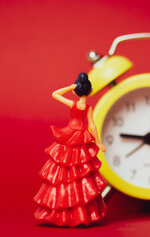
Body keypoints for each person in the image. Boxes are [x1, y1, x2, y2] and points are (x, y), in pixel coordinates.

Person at [34, 73, 107, 227]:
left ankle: (65, 212)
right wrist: (98, 141)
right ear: (90, 90)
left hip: (70, 133)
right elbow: (91, 125)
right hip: (82, 135)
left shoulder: (73, 104)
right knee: (81, 171)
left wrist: (70, 87)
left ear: (76, 91)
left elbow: (55, 94)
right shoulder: (87, 107)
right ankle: (78, 212)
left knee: (64, 168)